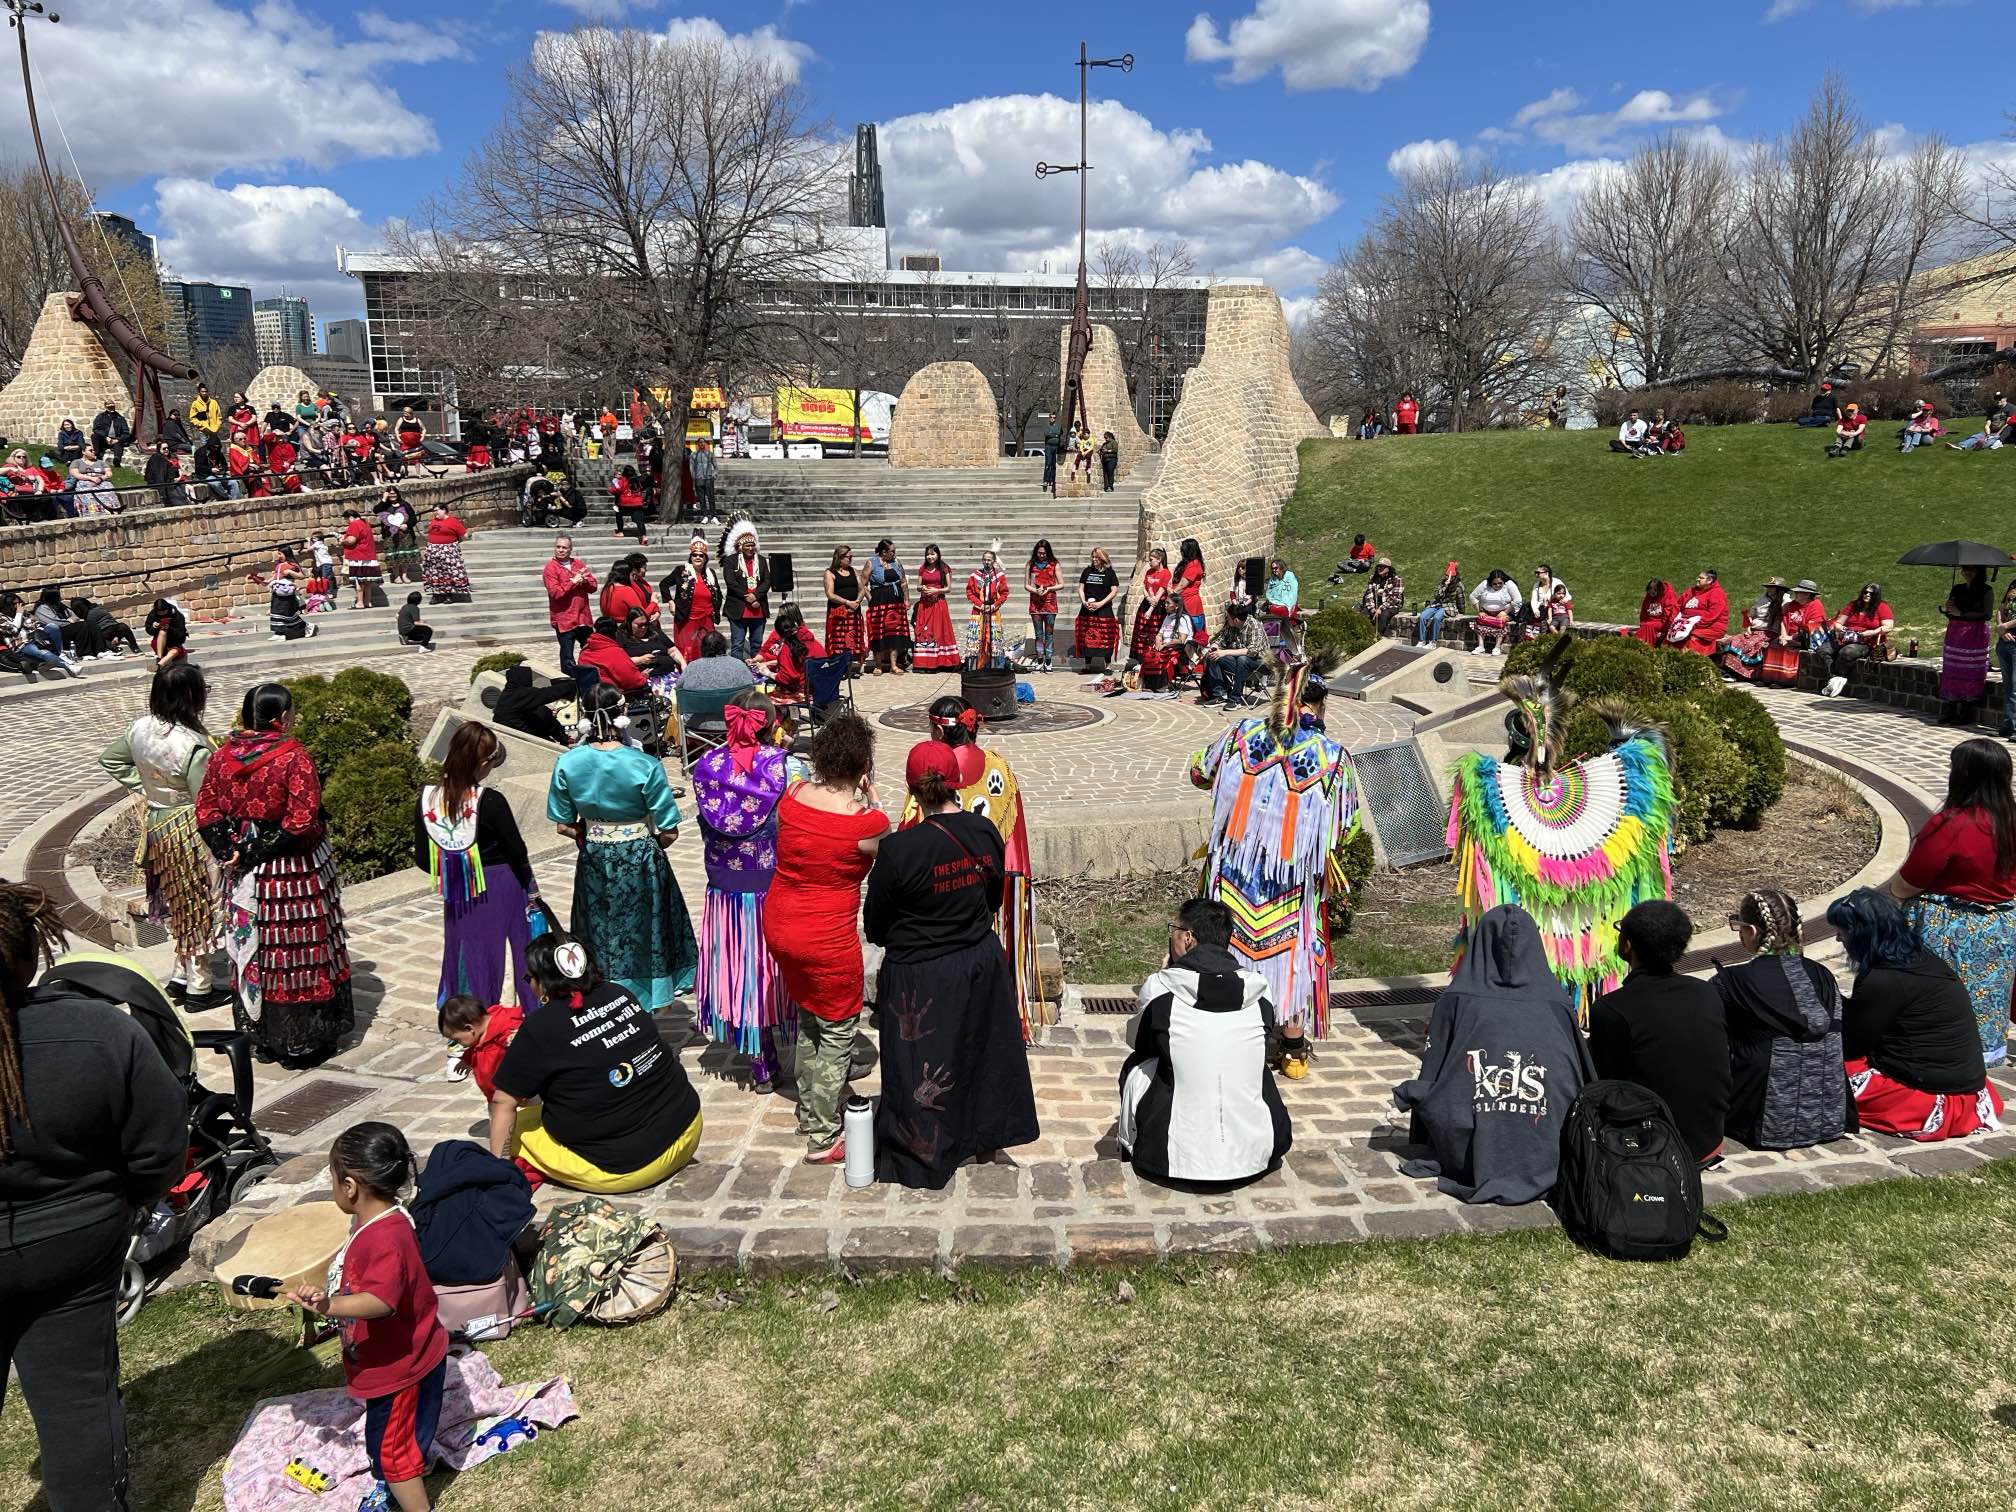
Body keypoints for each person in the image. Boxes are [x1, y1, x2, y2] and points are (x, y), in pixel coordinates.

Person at [0, 882, 185, 1512]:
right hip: (74, 1249)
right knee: (77, 1403)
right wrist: (126, 1203)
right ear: (28, 952)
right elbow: (161, 1150)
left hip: (67, 1241)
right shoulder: (98, 1029)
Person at [863, 737, 1040, 1188]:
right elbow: (991, 895)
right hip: (978, 961)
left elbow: (877, 925)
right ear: (956, 782)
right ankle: (984, 1139)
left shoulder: (899, 851)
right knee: (979, 1052)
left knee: (925, 1066)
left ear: (913, 790)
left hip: (919, 973)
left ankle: (927, 1148)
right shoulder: (983, 833)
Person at [1192, 663, 1360, 1079]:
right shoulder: (1333, 760)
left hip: (1232, 878)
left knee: (1226, 946)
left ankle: (1223, 1031)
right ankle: (1292, 1047)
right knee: (1294, 955)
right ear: (1317, 709)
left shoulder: (1241, 735)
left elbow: (1199, 771)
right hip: (1290, 887)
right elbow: (1348, 826)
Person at [283, 1122, 449, 1512]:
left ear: (351, 1186)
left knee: (395, 1456)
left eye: (332, 1178)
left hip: (401, 1369)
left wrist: (330, 1307)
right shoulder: (377, 1218)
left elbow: (381, 1301)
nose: (331, 1185)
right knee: (392, 1441)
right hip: (399, 1360)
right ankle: (405, 1472)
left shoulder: (385, 1237)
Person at [194, 683, 353, 1067]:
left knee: (255, 950)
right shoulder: (293, 757)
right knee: (297, 952)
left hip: (241, 872)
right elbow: (302, 817)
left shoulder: (222, 756)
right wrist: (255, 850)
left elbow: (207, 810)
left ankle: (264, 1036)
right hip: (290, 871)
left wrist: (230, 851)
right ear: (282, 718)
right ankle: (301, 1042)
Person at [1391, 905, 1593, 1204]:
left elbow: (1432, 1075)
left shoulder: (1455, 999)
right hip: (1547, 1148)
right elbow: (1582, 1073)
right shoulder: (1557, 1002)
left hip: (1469, 1150)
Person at [485, 931, 703, 1194]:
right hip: (688, 1127)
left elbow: (503, 1102)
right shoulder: (619, 993)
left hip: (628, 1168)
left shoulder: (540, 1026)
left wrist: (497, 1168)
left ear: (543, 982)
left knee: (515, 1125)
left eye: (529, 978)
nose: (529, 984)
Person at [765, 712, 889, 1162]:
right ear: (863, 766)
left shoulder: (793, 796)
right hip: (826, 936)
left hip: (780, 921)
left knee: (809, 1016)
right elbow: (886, 851)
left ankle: (807, 1109)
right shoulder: (865, 823)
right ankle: (823, 1134)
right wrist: (873, 799)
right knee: (837, 1028)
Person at [898, 696, 1048, 1036]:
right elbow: (1014, 838)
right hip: (988, 891)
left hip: (939, 896)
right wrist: (1013, 885)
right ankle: (998, 1018)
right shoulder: (999, 767)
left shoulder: (929, 772)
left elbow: (909, 830)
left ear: (937, 729)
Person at [1118, 898, 1291, 1185]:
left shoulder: (1160, 988)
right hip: (1258, 1157)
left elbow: (1137, 1041)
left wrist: (1166, 974)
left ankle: (1142, 1142)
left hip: (1170, 1160)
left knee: (1136, 1065)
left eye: (1173, 929)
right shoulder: (1259, 989)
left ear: (1187, 938)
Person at [547, 685, 697, 1011]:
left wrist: (591, 835)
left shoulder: (568, 763)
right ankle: (647, 1004)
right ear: (622, 714)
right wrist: (647, 842)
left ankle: (602, 998)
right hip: (641, 855)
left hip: (595, 856)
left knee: (600, 930)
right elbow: (669, 830)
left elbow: (562, 824)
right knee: (645, 931)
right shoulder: (643, 764)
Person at [1826, 888, 2003, 1141]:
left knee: (1823, 1066)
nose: (1837, 938)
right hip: (1969, 1090)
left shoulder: (1883, 980)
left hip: (1926, 1097)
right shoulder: (1923, 959)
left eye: (1841, 931)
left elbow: (1853, 1044)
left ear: (1861, 935)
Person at [692, 691, 799, 1091]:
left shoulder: (706, 765)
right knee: (774, 968)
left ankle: (760, 1060)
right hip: (774, 881)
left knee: (742, 969)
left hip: (726, 886)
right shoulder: (788, 767)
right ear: (773, 724)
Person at [1890, 737, 2016, 1066]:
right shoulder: (2010, 823)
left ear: (1963, 776)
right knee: (1987, 998)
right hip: (2000, 929)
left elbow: (1907, 883)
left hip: (1950, 928)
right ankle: (1984, 1056)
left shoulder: (1953, 824)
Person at [1586, 901, 1732, 1166]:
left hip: (1652, 1146)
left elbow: (1606, 1085)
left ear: (1627, 945)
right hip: (1707, 1138)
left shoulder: (1611, 1009)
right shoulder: (1706, 993)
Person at [1714, 889, 1854, 1149]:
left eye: (1740, 927)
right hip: (1829, 1115)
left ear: (1753, 932)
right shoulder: (1823, 975)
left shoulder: (1733, 981)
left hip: (1758, 1118)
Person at [416, 722, 538, 1012]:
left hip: (457, 887)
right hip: (500, 884)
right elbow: (517, 851)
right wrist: (531, 888)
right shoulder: (491, 801)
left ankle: (469, 1010)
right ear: (482, 764)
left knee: (465, 948)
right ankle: (511, 1010)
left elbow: (423, 858)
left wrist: (454, 868)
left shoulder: (427, 798)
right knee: (509, 947)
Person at [1937, 564, 1994, 725]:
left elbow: (1986, 614)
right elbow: (1951, 613)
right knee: (1952, 669)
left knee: (1969, 671)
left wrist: (1961, 613)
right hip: (1956, 633)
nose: (1966, 573)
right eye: (1965, 569)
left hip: (1975, 634)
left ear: (1979, 572)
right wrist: (1948, 609)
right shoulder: (1957, 588)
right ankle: (1951, 706)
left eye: (1971, 570)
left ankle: (1966, 710)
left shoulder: (1986, 590)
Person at [542, 534, 598, 683]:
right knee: (567, 656)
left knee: (591, 649)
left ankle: (591, 678)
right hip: (564, 619)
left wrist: (584, 581)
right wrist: (573, 582)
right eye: (558, 547)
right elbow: (555, 593)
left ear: (570, 549)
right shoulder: (550, 568)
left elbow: (593, 586)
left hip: (583, 617)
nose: (561, 550)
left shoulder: (578, 564)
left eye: (564, 547)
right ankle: (569, 685)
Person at [662, 534, 723, 665]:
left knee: (708, 647)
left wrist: (715, 611)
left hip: (706, 618)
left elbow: (718, 595)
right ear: (690, 556)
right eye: (694, 555)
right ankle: (688, 672)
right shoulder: (681, 571)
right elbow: (664, 584)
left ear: (705, 558)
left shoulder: (710, 573)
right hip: (687, 618)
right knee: (688, 649)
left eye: (701, 555)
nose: (697, 557)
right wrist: (670, 602)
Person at [1197, 599, 1268, 707]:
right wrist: (1214, 647)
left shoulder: (1254, 625)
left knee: (1242, 659)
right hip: (1238, 663)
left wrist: (1225, 652)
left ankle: (1235, 699)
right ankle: (1220, 695)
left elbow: (1252, 651)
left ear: (1235, 620)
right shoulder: (1231, 626)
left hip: (1260, 663)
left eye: (1228, 617)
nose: (1226, 619)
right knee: (1212, 656)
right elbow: (1220, 639)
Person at [1714, 578, 1787, 681]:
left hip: (1770, 633)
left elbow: (1785, 619)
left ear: (1779, 589)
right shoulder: (1762, 599)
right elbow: (1751, 614)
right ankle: (1728, 670)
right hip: (1754, 630)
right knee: (1732, 640)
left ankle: (1742, 673)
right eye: (1768, 587)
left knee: (1749, 645)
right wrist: (1748, 626)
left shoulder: (1785, 601)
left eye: (1772, 587)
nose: (1769, 589)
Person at [1829, 581, 1895, 689]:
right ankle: (1832, 678)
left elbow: (1889, 627)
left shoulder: (1882, 607)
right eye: (1865, 592)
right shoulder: (1853, 605)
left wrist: (1872, 632)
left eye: (1871, 594)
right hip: (1847, 638)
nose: (1867, 595)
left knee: (1847, 652)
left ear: (1876, 596)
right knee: (1824, 650)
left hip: (1868, 642)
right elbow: (1838, 623)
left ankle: (1838, 678)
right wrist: (1841, 628)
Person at [754, 606, 826, 702]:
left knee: (762, 699)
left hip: (804, 691)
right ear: (795, 625)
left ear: (779, 633)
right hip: (823, 686)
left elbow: (787, 678)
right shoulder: (811, 640)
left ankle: (787, 715)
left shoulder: (787, 650)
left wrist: (768, 673)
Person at [721, 519, 770, 659]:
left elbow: (767, 580)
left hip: (758, 609)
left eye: (752, 545)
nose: (750, 548)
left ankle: (757, 670)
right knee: (737, 643)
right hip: (739, 609)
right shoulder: (731, 561)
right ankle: (737, 672)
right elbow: (731, 583)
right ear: (740, 546)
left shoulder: (760, 560)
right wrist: (747, 596)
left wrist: (756, 596)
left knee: (757, 644)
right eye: (747, 545)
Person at [493, 664, 576, 746]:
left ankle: (563, 738)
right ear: (522, 678)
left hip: (515, 729)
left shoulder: (509, 692)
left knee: (543, 711)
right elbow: (546, 694)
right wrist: (572, 685)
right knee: (543, 714)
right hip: (519, 735)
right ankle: (562, 739)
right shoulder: (520, 694)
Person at [911, 543, 961, 671]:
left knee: (939, 632)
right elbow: (918, 586)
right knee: (925, 632)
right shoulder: (923, 568)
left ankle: (941, 662)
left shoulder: (944, 568)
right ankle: (925, 662)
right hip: (925, 604)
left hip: (938, 604)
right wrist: (922, 588)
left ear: (938, 554)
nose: (930, 557)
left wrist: (936, 590)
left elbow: (948, 588)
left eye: (932, 554)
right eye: (928, 554)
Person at [865, 537, 911, 674]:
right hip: (878, 601)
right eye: (892, 551)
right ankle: (878, 665)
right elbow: (862, 582)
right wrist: (870, 597)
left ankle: (894, 665)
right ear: (884, 552)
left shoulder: (896, 562)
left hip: (895, 601)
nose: (894, 554)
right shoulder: (871, 563)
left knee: (895, 633)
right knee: (878, 632)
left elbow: (903, 581)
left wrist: (906, 599)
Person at [1075, 546, 1121, 672]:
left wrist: (1101, 603)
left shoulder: (1109, 572)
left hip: (1104, 609)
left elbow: (1114, 590)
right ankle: (1087, 665)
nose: (1094, 559)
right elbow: (1081, 588)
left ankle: (1108, 665)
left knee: (1106, 636)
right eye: (1093, 557)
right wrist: (1084, 602)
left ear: (1102, 559)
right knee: (1088, 636)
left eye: (1096, 557)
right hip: (1087, 609)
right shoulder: (1087, 571)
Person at [966, 545, 1011, 669]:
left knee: (994, 640)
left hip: (993, 612)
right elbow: (969, 592)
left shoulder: (999, 576)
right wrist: (980, 605)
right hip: (978, 612)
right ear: (982, 560)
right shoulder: (975, 575)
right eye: (985, 559)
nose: (987, 562)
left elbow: (1004, 593)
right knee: (977, 639)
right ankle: (977, 667)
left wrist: (993, 606)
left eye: (989, 560)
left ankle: (995, 668)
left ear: (993, 562)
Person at [577, 616, 646, 695]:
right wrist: (643, 677)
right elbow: (633, 682)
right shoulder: (615, 652)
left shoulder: (584, 651)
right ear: (616, 633)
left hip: (590, 696)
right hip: (611, 696)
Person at [822, 544, 866, 670]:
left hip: (853, 611)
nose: (851, 559)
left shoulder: (853, 571)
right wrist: (847, 602)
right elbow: (830, 594)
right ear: (840, 558)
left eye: (851, 556)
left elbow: (862, 589)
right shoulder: (830, 573)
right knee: (838, 640)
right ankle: (837, 666)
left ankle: (851, 665)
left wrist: (857, 601)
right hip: (838, 613)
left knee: (852, 638)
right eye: (848, 557)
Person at [1128, 546, 1173, 667]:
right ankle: (1140, 657)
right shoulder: (1149, 572)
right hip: (1146, 603)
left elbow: (1160, 593)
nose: (1150, 562)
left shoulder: (1166, 573)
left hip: (1158, 608)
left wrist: (1150, 609)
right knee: (1141, 632)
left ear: (1159, 560)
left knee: (1153, 632)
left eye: (1152, 559)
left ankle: (1153, 656)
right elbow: (1145, 587)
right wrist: (1148, 598)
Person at [1669, 569, 1729, 655]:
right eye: (1698, 577)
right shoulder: (1690, 591)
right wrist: (1673, 622)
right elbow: (1677, 606)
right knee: (1670, 638)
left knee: (1692, 638)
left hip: (1710, 626)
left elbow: (1712, 615)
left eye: (1701, 578)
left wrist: (1691, 625)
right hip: (1686, 623)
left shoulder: (1717, 593)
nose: (1697, 579)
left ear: (1709, 580)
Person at [422, 502, 473, 604]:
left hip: (448, 551)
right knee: (435, 573)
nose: (435, 513)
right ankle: (436, 595)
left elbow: (464, 534)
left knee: (448, 573)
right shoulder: (433, 521)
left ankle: (449, 595)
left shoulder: (452, 521)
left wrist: (468, 535)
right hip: (433, 551)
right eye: (434, 511)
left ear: (444, 510)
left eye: (437, 510)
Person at [1409, 561, 1464, 646]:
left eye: (1450, 576)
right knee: (1423, 616)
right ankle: (1421, 640)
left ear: (1454, 576)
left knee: (1437, 618)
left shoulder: (1458, 586)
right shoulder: (1442, 583)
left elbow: (1461, 599)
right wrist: (1444, 587)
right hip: (1437, 604)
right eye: (1446, 576)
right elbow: (1436, 595)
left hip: (1448, 607)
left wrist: (1461, 611)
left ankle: (1433, 642)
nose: (1447, 578)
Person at [1026, 539, 1060, 672]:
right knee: (1039, 634)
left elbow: (1061, 584)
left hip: (1050, 603)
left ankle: (1049, 661)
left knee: (1049, 634)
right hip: (1036, 604)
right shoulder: (1030, 564)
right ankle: (1040, 660)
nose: (1041, 555)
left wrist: (1049, 589)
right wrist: (1035, 590)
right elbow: (1027, 584)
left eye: (1044, 553)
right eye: (1039, 553)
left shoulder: (1054, 564)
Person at [1467, 568, 1519, 656]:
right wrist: (1479, 611)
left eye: (1500, 583)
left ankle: (1497, 647)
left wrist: (1505, 612)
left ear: (1504, 581)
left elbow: (1518, 600)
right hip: (1487, 611)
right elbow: (1472, 597)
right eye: (1494, 584)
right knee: (1480, 620)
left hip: (1504, 612)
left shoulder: (1509, 584)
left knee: (1501, 621)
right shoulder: (1485, 584)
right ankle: (1481, 646)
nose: (1497, 585)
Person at [340, 508, 381, 610]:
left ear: (350, 517)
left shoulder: (354, 524)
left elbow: (351, 540)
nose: (347, 522)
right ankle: (368, 601)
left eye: (346, 520)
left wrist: (342, 541)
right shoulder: (365, 523)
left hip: (358, 557)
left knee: (359, 581)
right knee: (368, 581)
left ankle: (360, 602)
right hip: (368, 556)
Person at [378, 488, 420, 584]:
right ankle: (396, 576)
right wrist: (384, 499)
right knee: (394, 555)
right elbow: (377, 510)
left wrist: (407, 525)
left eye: (394, 493)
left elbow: (413, 517)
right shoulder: (384, 506)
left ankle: (404, 575)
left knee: (404, 554)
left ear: (398, 494)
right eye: (390, 494)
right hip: (390, 535)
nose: (392, 495)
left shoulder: (405, 504)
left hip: (404, 534)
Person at [1173, 537, 1208, 643]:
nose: (1181, 552)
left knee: (1190, 632)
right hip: (1184, 600)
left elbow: (1182, 585)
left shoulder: (1194, 565)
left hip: (1189, 603)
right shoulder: (1189, 563)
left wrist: (1172, 594)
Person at [1359, 557, 1405, 634]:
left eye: (1383, 567)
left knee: (1384, 615)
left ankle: (1377, 636)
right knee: (1364, 614)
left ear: (1389, 569)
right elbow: (1368, 595)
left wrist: (1381, 608)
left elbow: (1394, 598)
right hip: (1375, 604)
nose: (1380, 568)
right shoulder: (1373, 578)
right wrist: (1371, 608)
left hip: (1391, 605)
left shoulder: (1396, 580)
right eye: (1379, 567)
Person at [1779, 579, 1828, 649]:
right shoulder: (1792, 604)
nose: (1795, 594)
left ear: (1807, 595)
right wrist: (1783, 636)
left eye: (1798, 592)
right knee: (1773, 645)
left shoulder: (1816, 606)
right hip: (1787, 637)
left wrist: (1791, 637)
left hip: (1804, 639)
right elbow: (1783, 621)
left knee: (1788, 647)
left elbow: (1811, 629)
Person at [90, 399, 131, 470]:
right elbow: (96, 429)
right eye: (109, 407)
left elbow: (126, 433)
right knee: (94, 436)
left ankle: (117, 459)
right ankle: (97, 454)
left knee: (119, 444)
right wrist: (105, 436)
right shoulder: (100, 417)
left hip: (115, 439)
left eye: (112, 407)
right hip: (104, 439)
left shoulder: (120, 418)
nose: (111, 408)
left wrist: (118, 439)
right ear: (106, 407)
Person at [611, 463, 647, 543]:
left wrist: (611, 488)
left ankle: (620, 531)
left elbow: (617, 489)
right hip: (637, 503)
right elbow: (641, 489)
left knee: (618, 513)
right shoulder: (637, 480)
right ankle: (644, 536)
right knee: (639, 520)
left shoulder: (623, 480)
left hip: (625, 504)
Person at [691, 439, 719, 524]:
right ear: (697, 444)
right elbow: (691, 468)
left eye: (703, 442)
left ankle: (713, 516)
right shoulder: (694, 455)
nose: (701, 444)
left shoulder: (710, 453)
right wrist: (694, 477)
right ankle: (705, 516)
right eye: (700, 442)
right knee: (701, 499)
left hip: (708, 478)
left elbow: (716, 466)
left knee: (711, 497)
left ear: (705, 444)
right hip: (699, 479)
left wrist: (714, 475)